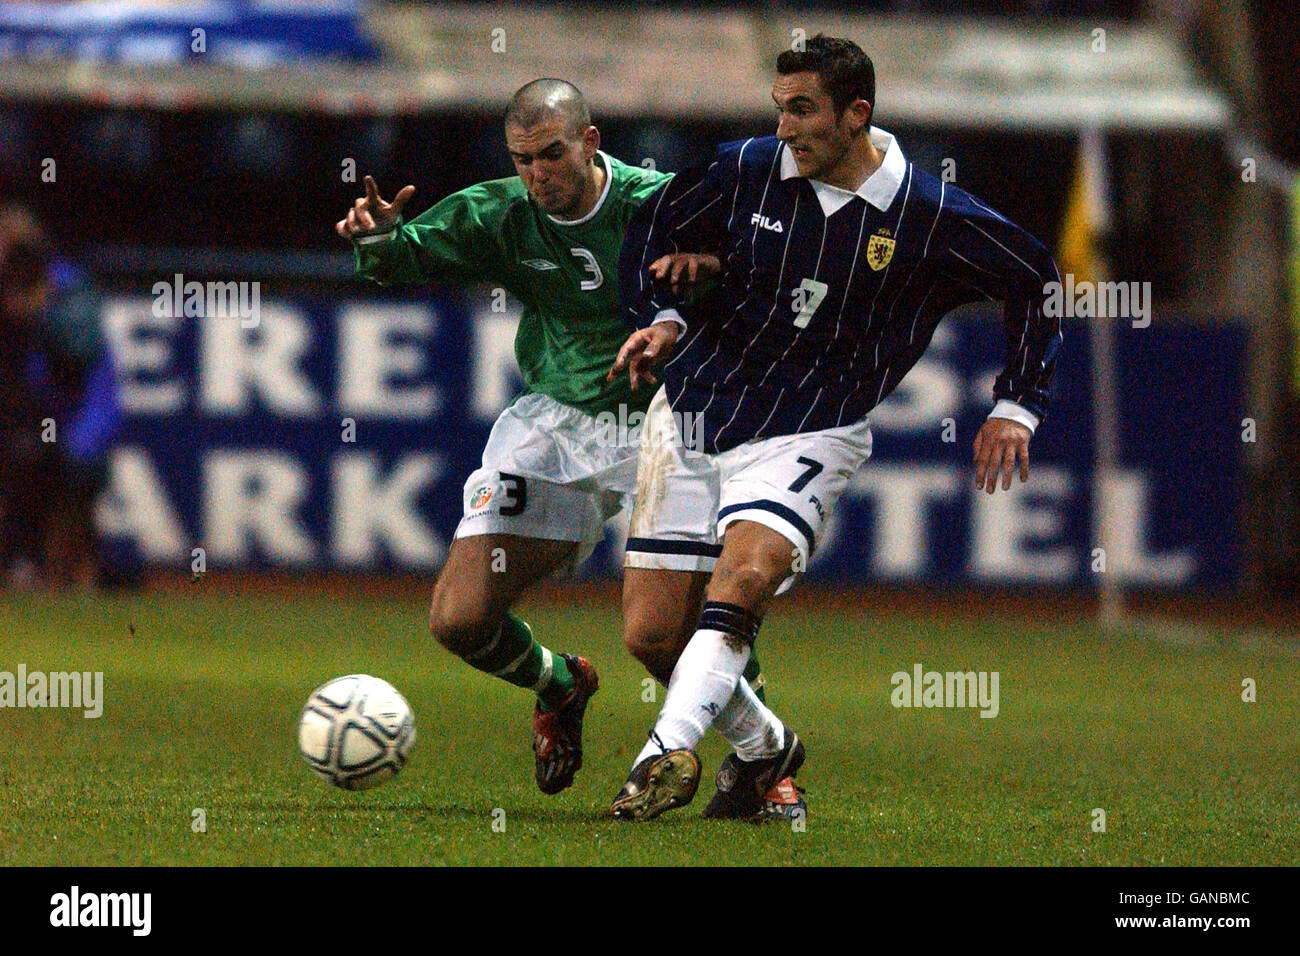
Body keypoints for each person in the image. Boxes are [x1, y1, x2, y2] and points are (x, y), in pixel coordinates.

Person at [606, 35, 1064, 821]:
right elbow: (653, 228)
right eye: (780, 109)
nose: (785, 129)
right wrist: (668, 316)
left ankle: (658, 760)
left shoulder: (929, 215)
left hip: (813, 427)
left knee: (744, 581)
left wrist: (1016, 404)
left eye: (804, 110)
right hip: (691, 406)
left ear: (858, 114)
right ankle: (767, 749)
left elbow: (1038, 278)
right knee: (653, 637)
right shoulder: (745, 168)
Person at [336, 78, 793, 805]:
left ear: (590, 141)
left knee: (677, 624)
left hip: (671, 422)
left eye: (551, 153)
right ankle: (561, 684)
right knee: (459, 619)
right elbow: (404, 257)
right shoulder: (499, 211)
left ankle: (766, 762)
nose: (537, 172)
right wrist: (380, 236)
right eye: (522, 158)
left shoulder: (665, 205)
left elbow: (758, 277)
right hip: (555, 421)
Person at [0, 204, 118, 589]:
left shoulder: (69, 286)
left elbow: (79, 348)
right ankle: (29, 567)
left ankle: (69, 573)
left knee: (70, 471)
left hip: (81, 422)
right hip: (29, 422)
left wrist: (37, 311)